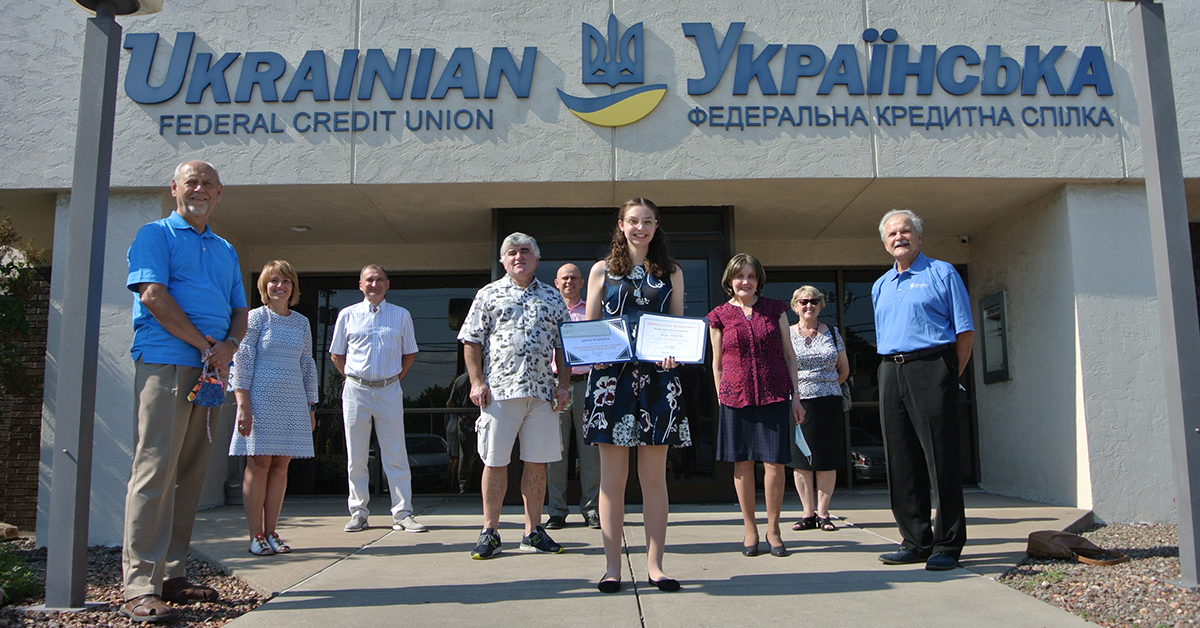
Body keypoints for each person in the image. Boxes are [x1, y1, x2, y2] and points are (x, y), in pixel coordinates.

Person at [121, 160, 248, 622]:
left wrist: (229, 347)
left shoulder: (225, 248)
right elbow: (152, 295)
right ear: (175, 188)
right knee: (154, 469)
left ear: (219, 193)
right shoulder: (155, 235)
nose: (199, 189)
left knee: (190, 473)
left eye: (208, 184)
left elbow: (240, 309)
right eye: (191, 182)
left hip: (210, 370)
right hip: (168, 362)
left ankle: (171, 574)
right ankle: (139, 584)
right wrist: (205, 345)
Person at [584, 198, 691, 594]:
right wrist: (592, 354)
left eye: (647, 222)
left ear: (656, 226)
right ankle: (612, 568)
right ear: (621, 224)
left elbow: (677, 325)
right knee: (612, 480)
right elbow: (591, 328)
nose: (640, 228)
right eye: (633, 221)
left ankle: (655, 567)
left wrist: (674, 354)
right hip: (611, 381)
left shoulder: (672, 272)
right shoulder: (601, 271)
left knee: (653, 479)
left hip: (659, 383)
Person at [872, 209, 975, 571]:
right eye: (892, 234)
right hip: (890, 370)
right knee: (901, 460)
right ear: (885, 243)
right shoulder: (880, 285)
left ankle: (947, 543)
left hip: (932, 367)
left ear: (919, 237)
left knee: (940, 460)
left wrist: (948, 375)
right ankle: (915, 540)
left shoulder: (941, 273)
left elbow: (965, 332)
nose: (899, 237)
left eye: (905, 231)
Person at [458, 233, 571, 559]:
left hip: (541, 394)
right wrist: (477, 382)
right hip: (499, 393)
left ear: (536, 259)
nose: (518, 257)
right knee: (494, 462)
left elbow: (564, 349)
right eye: (511, 252)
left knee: (536, 464)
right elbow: (471, 341)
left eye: (525, 252)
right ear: (503, 260)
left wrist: (562, 385)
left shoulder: (552, 298)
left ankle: (533, 531)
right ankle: (490, 531)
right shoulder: (488, 294)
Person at [707, 254, 804, 558]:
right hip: (736, 397)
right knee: (743, 463)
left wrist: (796, 397)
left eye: (750, 276)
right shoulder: (719, 316)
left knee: (775, 463)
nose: (745, 282)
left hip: (775, 393)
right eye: (739, 276)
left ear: (758, 279)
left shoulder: (776, 310)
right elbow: (717, 363)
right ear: (730, 281)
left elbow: (790, 355)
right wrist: (721, 397)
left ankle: (773, 529)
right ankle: (750, 528)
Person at [229, 260, 317, 556]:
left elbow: (307, 363)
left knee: (281, 466)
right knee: (259, 464)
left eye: (286, 282)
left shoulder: (301, 322)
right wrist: (243, 404)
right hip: (259, 400)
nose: (280, 286)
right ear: (264, 287)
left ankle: (271, 531)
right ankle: (255, 534)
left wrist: (310, 405)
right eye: (274, 281)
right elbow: (241, 359)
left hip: (292, 402)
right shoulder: (255, 318)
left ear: (293, 287)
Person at [329, 265, 426, 534]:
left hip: (389, 390)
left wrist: (391, 379)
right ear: (360, 285)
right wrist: (354, 378)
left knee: (395, 453)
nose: (374, 284)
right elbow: (337, 355)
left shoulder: (401, 315)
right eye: (369, 280)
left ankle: (403, 513)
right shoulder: (347, 315)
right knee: (357, 455)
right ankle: (358, 512)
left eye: (379, 280)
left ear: (388, 284)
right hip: (356, 390)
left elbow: (409, 355)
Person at [788, 285, 849, 534]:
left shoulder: (832, 333)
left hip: (828, 403)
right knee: (801, 459)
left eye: (813, 301)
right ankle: (807, 514)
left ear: (821, 304)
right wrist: (797, 394)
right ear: (794, 306)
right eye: (803, 302)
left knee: (826, 459)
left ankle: (823, 514)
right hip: (797, 403)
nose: (808, 306)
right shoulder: (787, 334)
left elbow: (843, 368)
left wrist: (827, 386)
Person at [545, 263, 601, 530]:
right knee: (556, 452)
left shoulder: (592, 312)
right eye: (564, 278)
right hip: (554, 386)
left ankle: (591, 509)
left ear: (582, 283)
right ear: (556, 283)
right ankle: (556, 510)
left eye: (574, 278)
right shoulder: (547, 312)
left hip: (587, 385)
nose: (569, 282)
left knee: (590, 452)